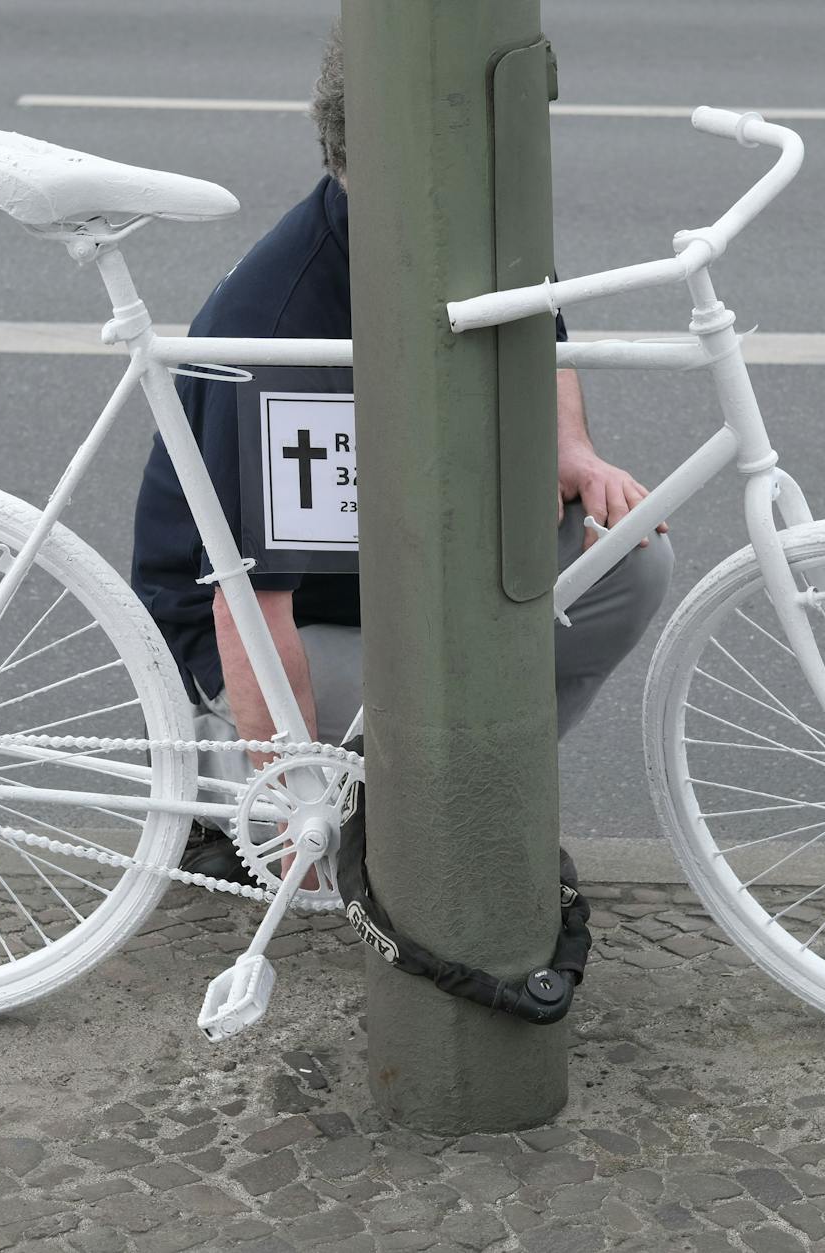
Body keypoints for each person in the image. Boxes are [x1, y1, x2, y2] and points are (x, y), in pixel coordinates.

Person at [129, 24, 673, 884]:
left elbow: (543, 330)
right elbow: (246, 610)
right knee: (449, 686)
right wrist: (288, 800)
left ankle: (462, 796)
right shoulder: (284, 324)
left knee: (629, 567)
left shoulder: (469, 219)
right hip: (278, 622)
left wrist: (571, 446)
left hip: (395, 564)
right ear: (386, 158)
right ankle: (256, 781)